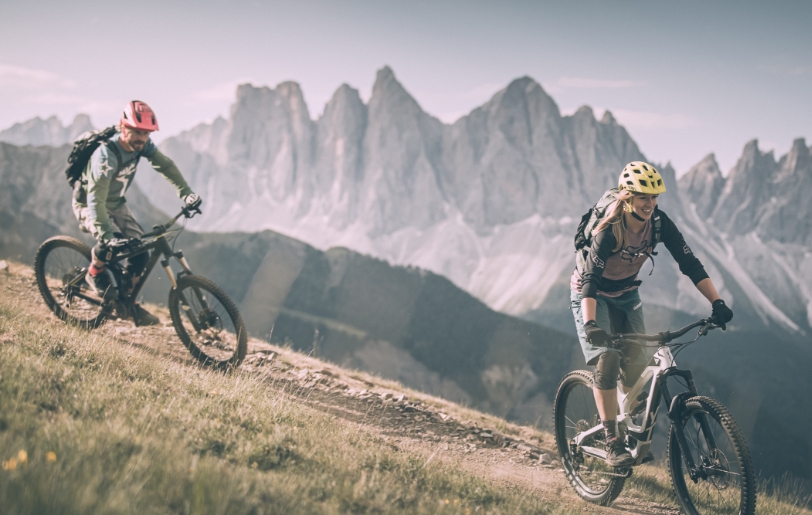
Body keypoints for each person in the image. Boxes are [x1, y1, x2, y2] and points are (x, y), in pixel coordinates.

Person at [569, 161, 733, 467]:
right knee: (608, 359)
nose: (651, 203)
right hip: (591, 294)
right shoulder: (610, 228)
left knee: (637, 369)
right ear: (627, 196)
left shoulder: (659, 223)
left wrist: (717, 302)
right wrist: (591, 323)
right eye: (644, 196)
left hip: (627, 293)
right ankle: (610, 440)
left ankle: (631, 429)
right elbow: (590, 280)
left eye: (655, 196)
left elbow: (690, 264)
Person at [71, 100, 201, 325]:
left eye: (147, 133)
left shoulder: (142, 146)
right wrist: (107, 235)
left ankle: (129, 304)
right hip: (89, 203)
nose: (142, 137)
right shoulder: (106, 156)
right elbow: (95, 198)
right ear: (124, 128)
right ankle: (93, 272)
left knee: (139, 250)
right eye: (137, 132)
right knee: (111, 242)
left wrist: (186, 193)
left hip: (116, 203)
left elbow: (166, 165)